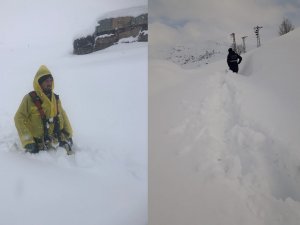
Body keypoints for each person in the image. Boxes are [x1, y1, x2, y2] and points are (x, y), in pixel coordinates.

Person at [14, 65, 73, 154]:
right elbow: (19, 118)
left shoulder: (55, 98)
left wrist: (68, 134)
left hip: (57, 140)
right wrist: (28, 141)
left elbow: (62, 114)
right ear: (39, 83)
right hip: (38, 145)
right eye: (46, 81)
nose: (49, 83)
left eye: (50, 80)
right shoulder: (30, 99)